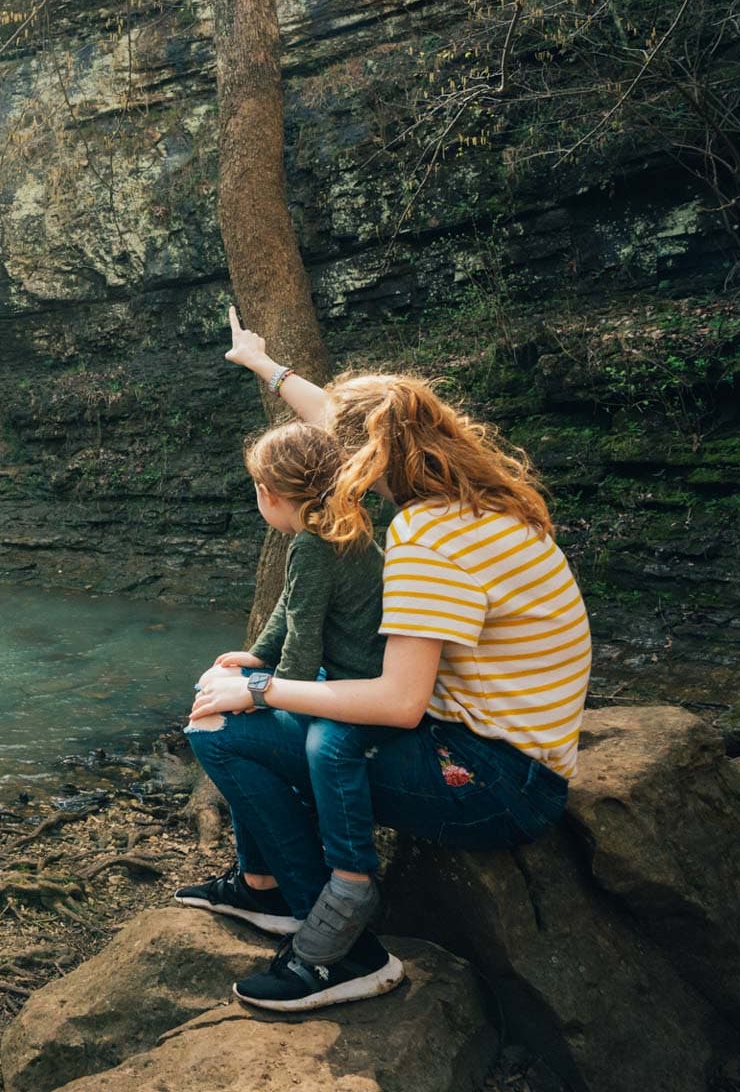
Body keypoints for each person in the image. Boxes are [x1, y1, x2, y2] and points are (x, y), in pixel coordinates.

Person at [180, 308, 589, 1012]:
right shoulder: (477, 497)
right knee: (255, 714)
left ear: (366, 462)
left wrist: (264, 689)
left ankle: (341, 950)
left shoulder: (424, 544)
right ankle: (268, 891)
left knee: (218, 727)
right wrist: (263, 364)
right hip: (511, 749)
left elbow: (398, 701)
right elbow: (334, 413)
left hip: (494, 779)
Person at [177, 421, 391, 951]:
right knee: (220, 695)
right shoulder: (349, 518)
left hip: (350, 689)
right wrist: (255, 658)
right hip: (349, 675)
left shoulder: (314, 545)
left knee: (215, 728)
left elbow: (304, 638)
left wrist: (264, 693)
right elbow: (288, 608)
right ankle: (258, 883)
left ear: (267, 494)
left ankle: (299, 902)